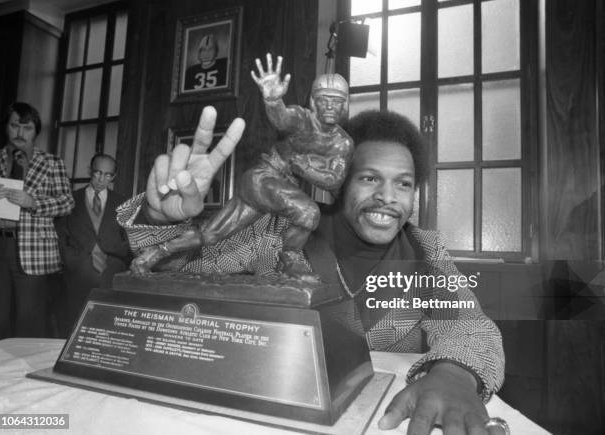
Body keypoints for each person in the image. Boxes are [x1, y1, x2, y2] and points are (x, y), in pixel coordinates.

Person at [118, 106, 506, 434]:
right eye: (369, 178)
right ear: (339, 182)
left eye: (402, 184)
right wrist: (160, 219)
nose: (387, 197)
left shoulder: (426, 252)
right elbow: (177, 276)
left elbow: (472, 326)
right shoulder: (275, 232)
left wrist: (454, 373)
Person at [133, 54, 354, 280]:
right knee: (307, 212)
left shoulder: (342, 143)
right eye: (324, 99)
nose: (329, 106)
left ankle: (154, 254)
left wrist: (302, 167)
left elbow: (334, 179)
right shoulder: (301, 118)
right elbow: (283, 119)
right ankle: (290, 258)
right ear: (314, 102)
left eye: (336, 101)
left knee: (210, 235)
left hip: (279, 196)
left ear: (345, 104)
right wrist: (273, 101)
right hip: (263, 178)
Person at [0, 102, 74, 340]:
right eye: (14, 125)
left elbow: (67, 202)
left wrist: (33, 202)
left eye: (26, 127)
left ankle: (26, 374)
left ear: (35, 131)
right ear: (6, 127)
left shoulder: (52, 163)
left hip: (33, 251)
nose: (19, 133)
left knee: (30, 319)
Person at [56, 153, 130, 324]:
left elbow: (130, 236)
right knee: (76, 320)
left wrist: (119, 258)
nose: (101, 179)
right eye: (97, 173)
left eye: (108, 175)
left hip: (112, 270)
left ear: (114, 177)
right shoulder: (70, 200)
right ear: (90, 171)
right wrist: (70, 259)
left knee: (108, 321)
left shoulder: (123, 202)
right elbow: (60, 233)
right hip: (78, 270)